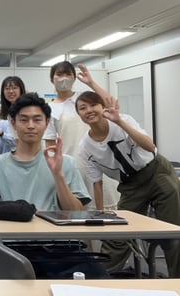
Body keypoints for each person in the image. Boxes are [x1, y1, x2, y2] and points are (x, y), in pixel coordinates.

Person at [0, 93, 99, 279]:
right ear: (13, 124)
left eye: (37, 119)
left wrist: (58, 175)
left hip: (59, 248)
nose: (30, 125)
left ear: (47, 123)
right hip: (10, 247)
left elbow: (76, 212)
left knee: (97, 279)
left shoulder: (65, 163)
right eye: (24, 120)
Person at [75, 91, 180, 277]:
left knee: (173, 232)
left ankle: (176, 281)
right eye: (83, 108)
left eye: (93, 105)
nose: (89, 110)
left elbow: (151, 147)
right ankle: (100, 280)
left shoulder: (123, 121)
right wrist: (100, 213)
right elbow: (96, 182)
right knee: (118, 234)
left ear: (102, 107)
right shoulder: (85, 147)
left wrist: (120, 122)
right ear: (79, 115)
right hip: (130, 185)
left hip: (157, 171)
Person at [43, 61, 119, 210]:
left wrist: (91, 83)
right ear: (52, 79)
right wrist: (55, 173)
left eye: (68, 74)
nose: (64, 78)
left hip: (101, 159)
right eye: (59, 74)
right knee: (78, 209)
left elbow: (112, 104)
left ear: (74, 77)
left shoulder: (85, 99)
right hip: (73, 165)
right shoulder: (49, 109)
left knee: (106, 208)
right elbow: (50, 146)